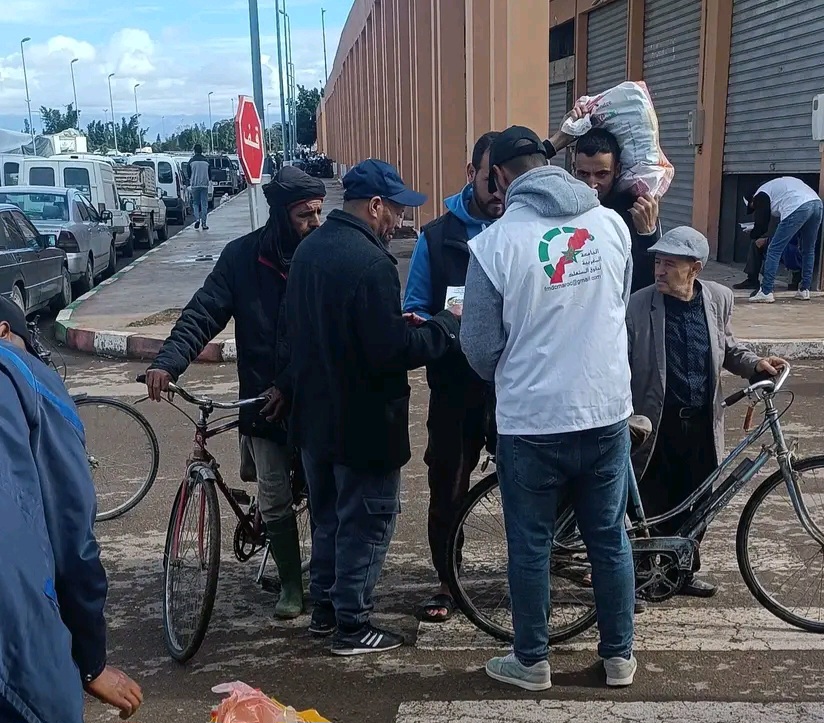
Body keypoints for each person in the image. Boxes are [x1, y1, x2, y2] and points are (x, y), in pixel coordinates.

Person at [462, 125, 637, 691]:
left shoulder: (494, 245)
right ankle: (619, 658)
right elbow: (617, 304)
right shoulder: (611, 226)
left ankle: (532, 661)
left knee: (531, 545)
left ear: (499, 176)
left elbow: (479, 348)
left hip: (532, 420)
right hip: (605, 410)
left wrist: (520, 366)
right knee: (608, 538)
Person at [285, 159, 461, 655]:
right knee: (367, 525)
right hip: (364, 425)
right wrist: (445, 325)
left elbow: (318, 329)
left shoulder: (309, 250)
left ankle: (325, 611)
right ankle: (353, 625)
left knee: (327, 521)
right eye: (397, 211)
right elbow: (391, 353)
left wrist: (394, 326)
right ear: (376, 205)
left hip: (315, 421)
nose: (400, 221)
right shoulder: (372, 263)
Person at [146, 166, 326, 619]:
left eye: (319, 212)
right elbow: (203, 313)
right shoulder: (242, 258)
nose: (315, 223)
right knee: (273, 491)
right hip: (262, 403)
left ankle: (327, 575)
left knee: (325, 492)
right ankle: (290, 585)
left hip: (316, 398)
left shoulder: (325, 258)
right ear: (281, 215)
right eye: (305, 215)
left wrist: (290, 383)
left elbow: (329, 335)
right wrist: (167, 362)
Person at [0, 296, 142, 722]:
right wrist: (91, 661)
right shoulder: (23, 373)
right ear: (5, 333)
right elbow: (73, 537)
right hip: (14, 638)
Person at [627, 227, 787, 596]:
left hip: (701, 421)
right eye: (658, 262)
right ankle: (644, 574)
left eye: (670, 264)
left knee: (699, 503)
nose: (660, 270)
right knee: (653, 503)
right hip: (657, 423)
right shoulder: (638, 306)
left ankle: (681, 574)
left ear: (695, 268)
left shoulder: (718, 298)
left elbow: (727, 347)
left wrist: (755, 364)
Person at [403, 131, 502, 622]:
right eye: (490, 181)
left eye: (507, 182)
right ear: (471, 174)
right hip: (454, 388)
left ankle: (534, 575)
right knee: (448, 485)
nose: (500, 193)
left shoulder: (526, 230)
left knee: (533, 484)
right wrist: (443, 323)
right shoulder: (437, 237)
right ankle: (446, 579)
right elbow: (414, 307)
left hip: (513, 387)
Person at [547, 115, 661, 292]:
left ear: (617, 170)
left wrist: (648, 235)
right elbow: (522, 169)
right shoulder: (562, 204)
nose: (592, 185)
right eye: (583, 174)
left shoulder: (635, 211)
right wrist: (557, 141)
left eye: (601, 174)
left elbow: (647, 283)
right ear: (573, 168)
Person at [745, 177, 823, 303]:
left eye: (753, 206)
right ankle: (804, 290)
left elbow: (762, 225)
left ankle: (766, 291)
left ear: (752, 198)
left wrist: (753, 234)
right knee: (808, 250)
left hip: (798, 206)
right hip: (817, 204)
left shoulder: (761, 194)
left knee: (774, 250)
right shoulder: (777, 187)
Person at [189, 143, 211, 231]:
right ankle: (204, 224)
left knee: (195, 203)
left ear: (194, 151)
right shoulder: (206, 161)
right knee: (204, 204)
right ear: (201, 150)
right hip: (204, 185)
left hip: (195, 185)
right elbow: (210, 174)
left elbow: (189, 174)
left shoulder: (191, 161)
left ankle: (197, 219)